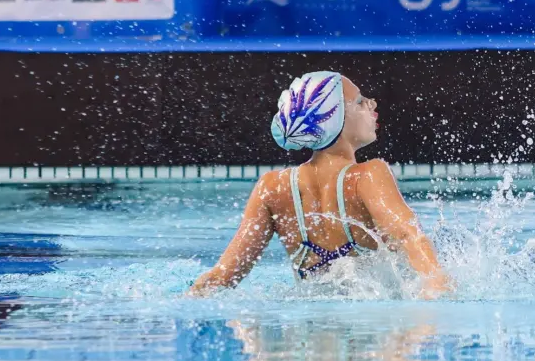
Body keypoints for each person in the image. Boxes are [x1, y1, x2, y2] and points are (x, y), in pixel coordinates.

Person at [188, 71, 452, 298]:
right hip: (370, 337)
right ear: (335, 119)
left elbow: (225, 275)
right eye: (360, 102)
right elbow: (408, 235)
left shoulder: (272, 187)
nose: (372, 104)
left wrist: (191, 296)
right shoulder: (369, 175)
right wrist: (438, 287)